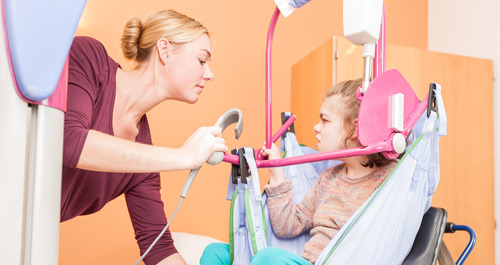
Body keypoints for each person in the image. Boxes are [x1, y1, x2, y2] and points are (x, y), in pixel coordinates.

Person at [61, 9, 227, 265]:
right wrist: (183, 156)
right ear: (165, 50)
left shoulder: (145, 160)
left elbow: (158, 248)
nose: (210, 74)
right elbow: (69, 142)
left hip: (26, 234)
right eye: (202, 60)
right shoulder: (89, 58)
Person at [200, 78, 400, 264]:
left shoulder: (391, 179)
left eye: (325, 120)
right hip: (307, 261)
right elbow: (286, 226)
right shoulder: (327, 180)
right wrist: (277, 172)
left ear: (356, 129)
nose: (316, 127)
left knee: (268, 259)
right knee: (215, 253)